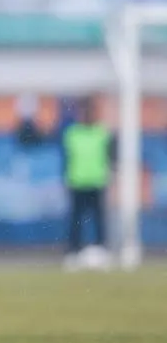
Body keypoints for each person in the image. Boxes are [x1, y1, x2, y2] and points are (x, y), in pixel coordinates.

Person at [61, 96, 115, 271]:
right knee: (76, 219)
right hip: (77, 181)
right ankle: (73, 252)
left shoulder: (102, 132)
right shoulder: (72, 133)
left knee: (99, 219)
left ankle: (102, 250)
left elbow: (111, 157)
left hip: (97, 181)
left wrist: (111, 174)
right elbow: (66, 158)